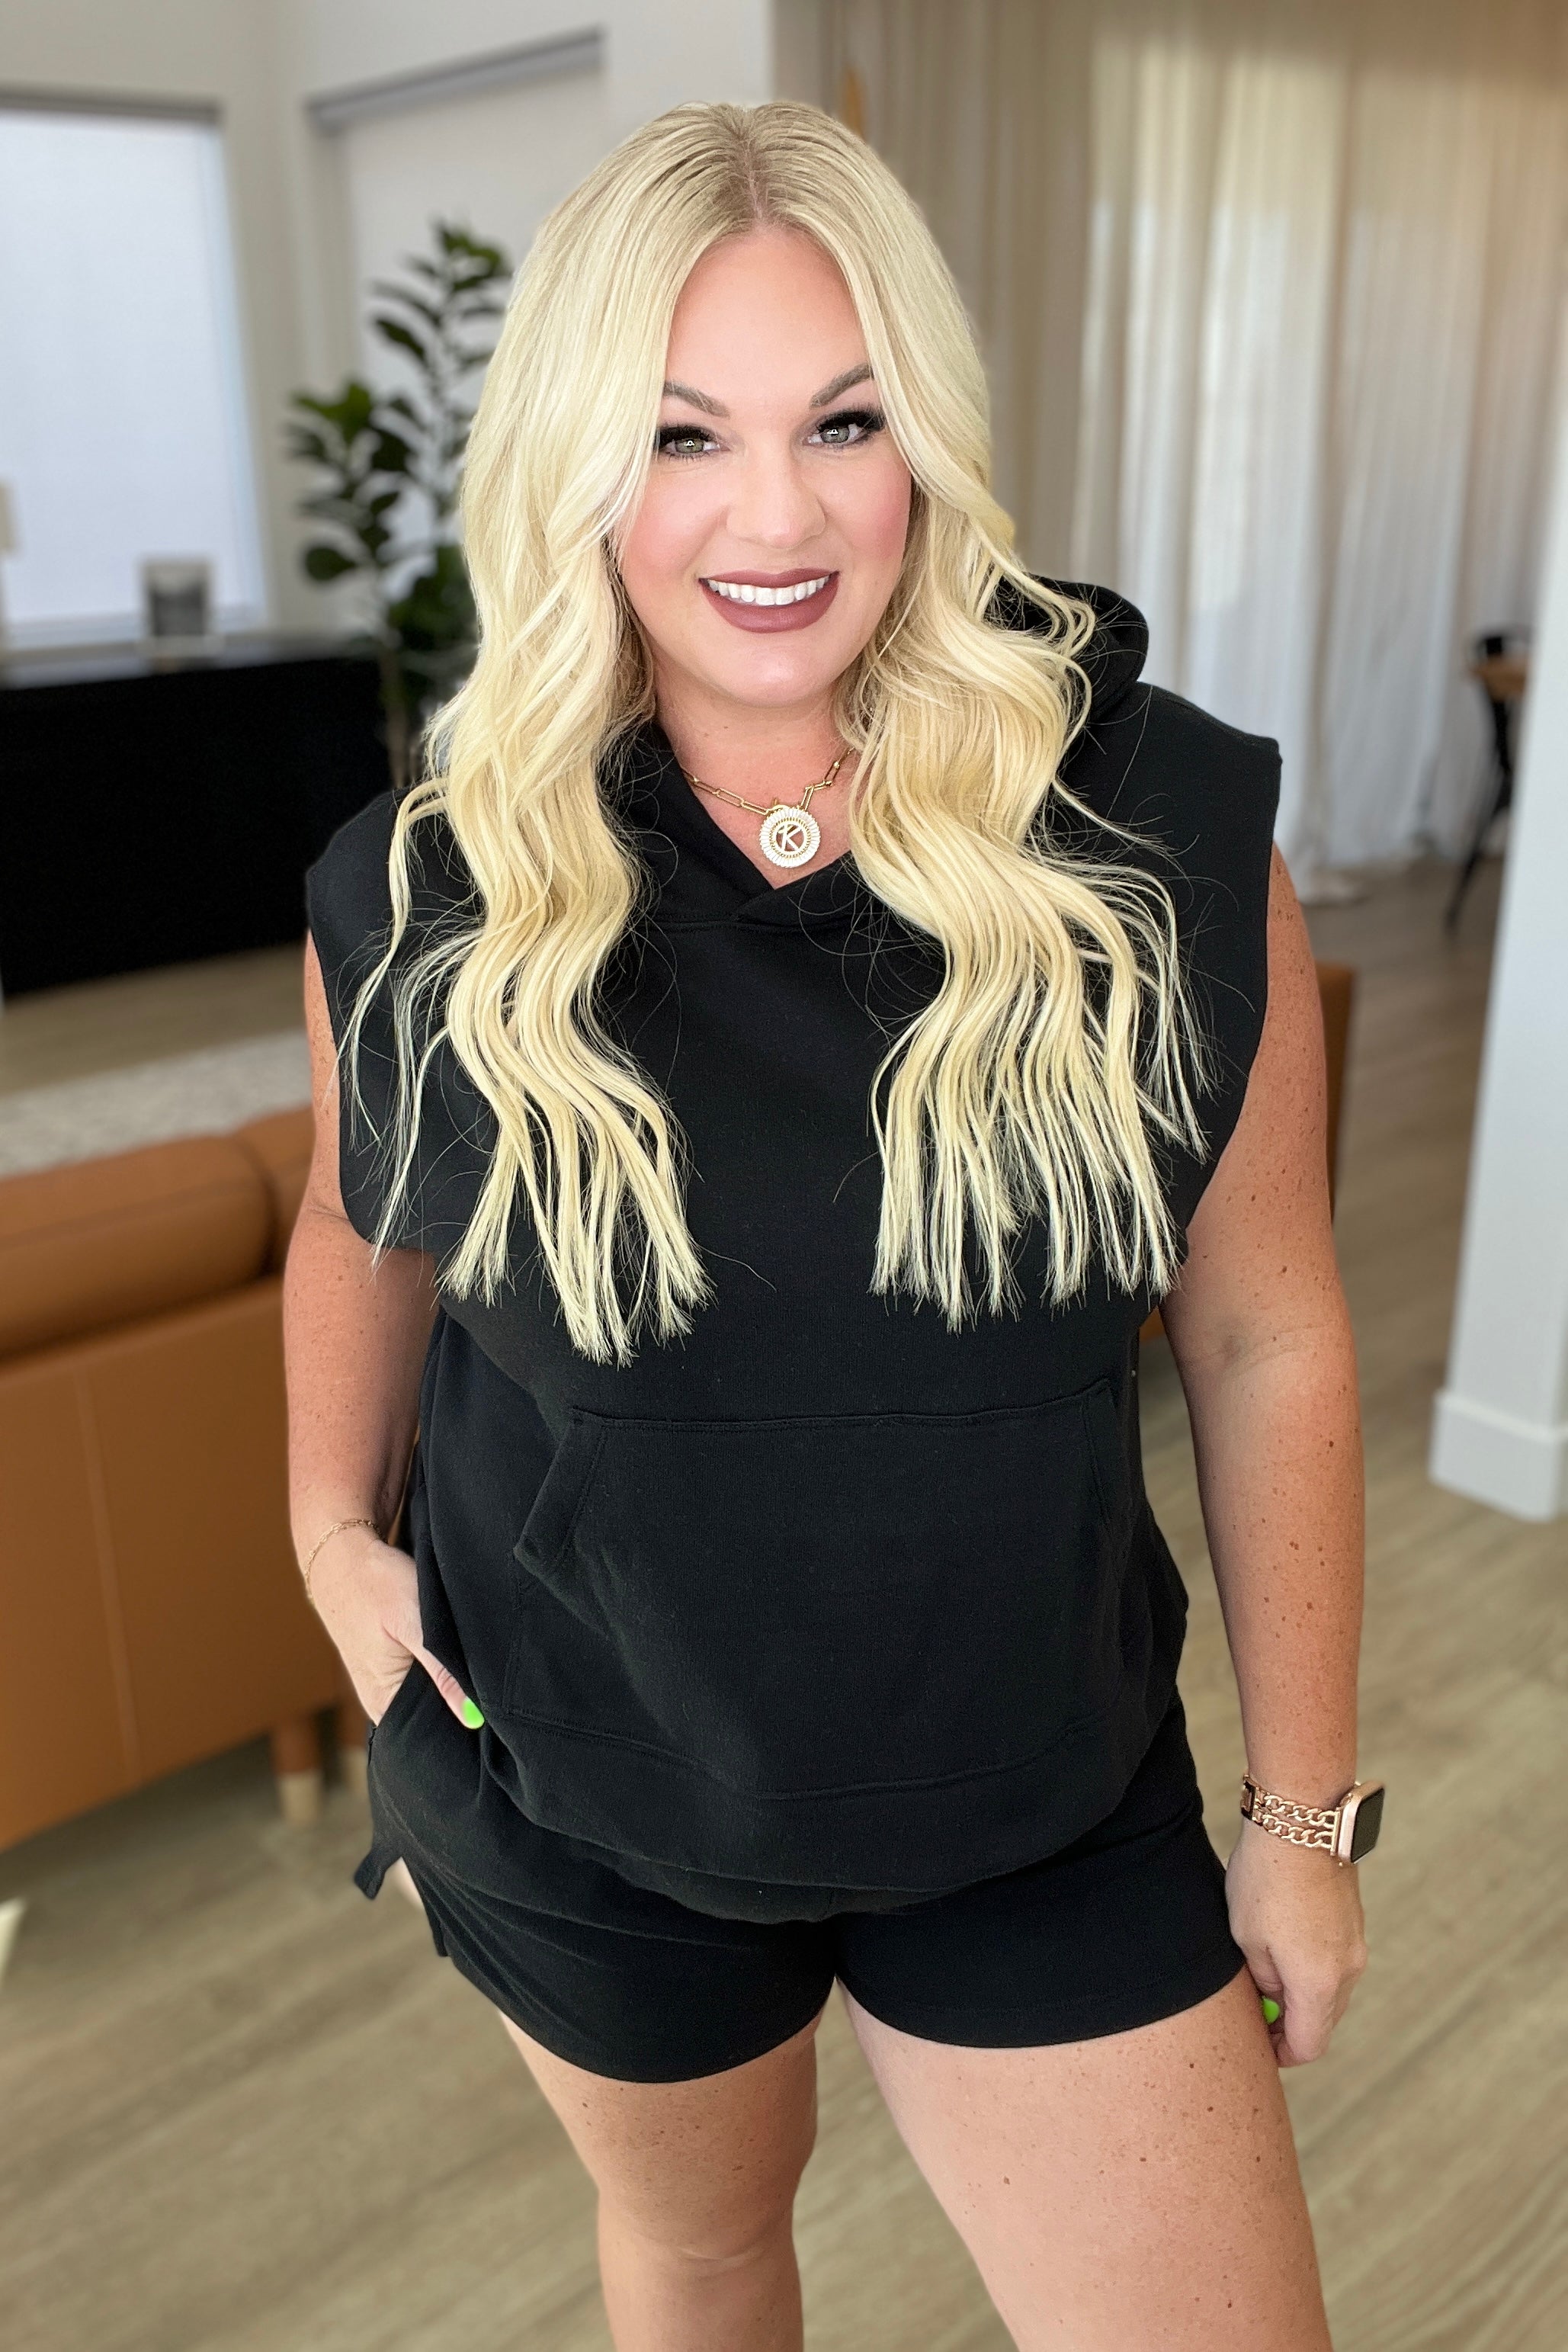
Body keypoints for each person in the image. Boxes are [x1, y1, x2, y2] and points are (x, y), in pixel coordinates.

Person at [285, 99, 1375, 2352]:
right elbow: (353, 1212)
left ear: (925, 446)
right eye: (681, 434)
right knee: (700, 2259)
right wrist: (328, 1539)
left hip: (1036, 1791)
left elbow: (1266, 1331)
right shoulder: (432, 883)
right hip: (581, 1778)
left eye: (842, 423)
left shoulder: (1153, 838)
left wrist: (1299, 1815)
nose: (773, 517)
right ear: (576, 463)